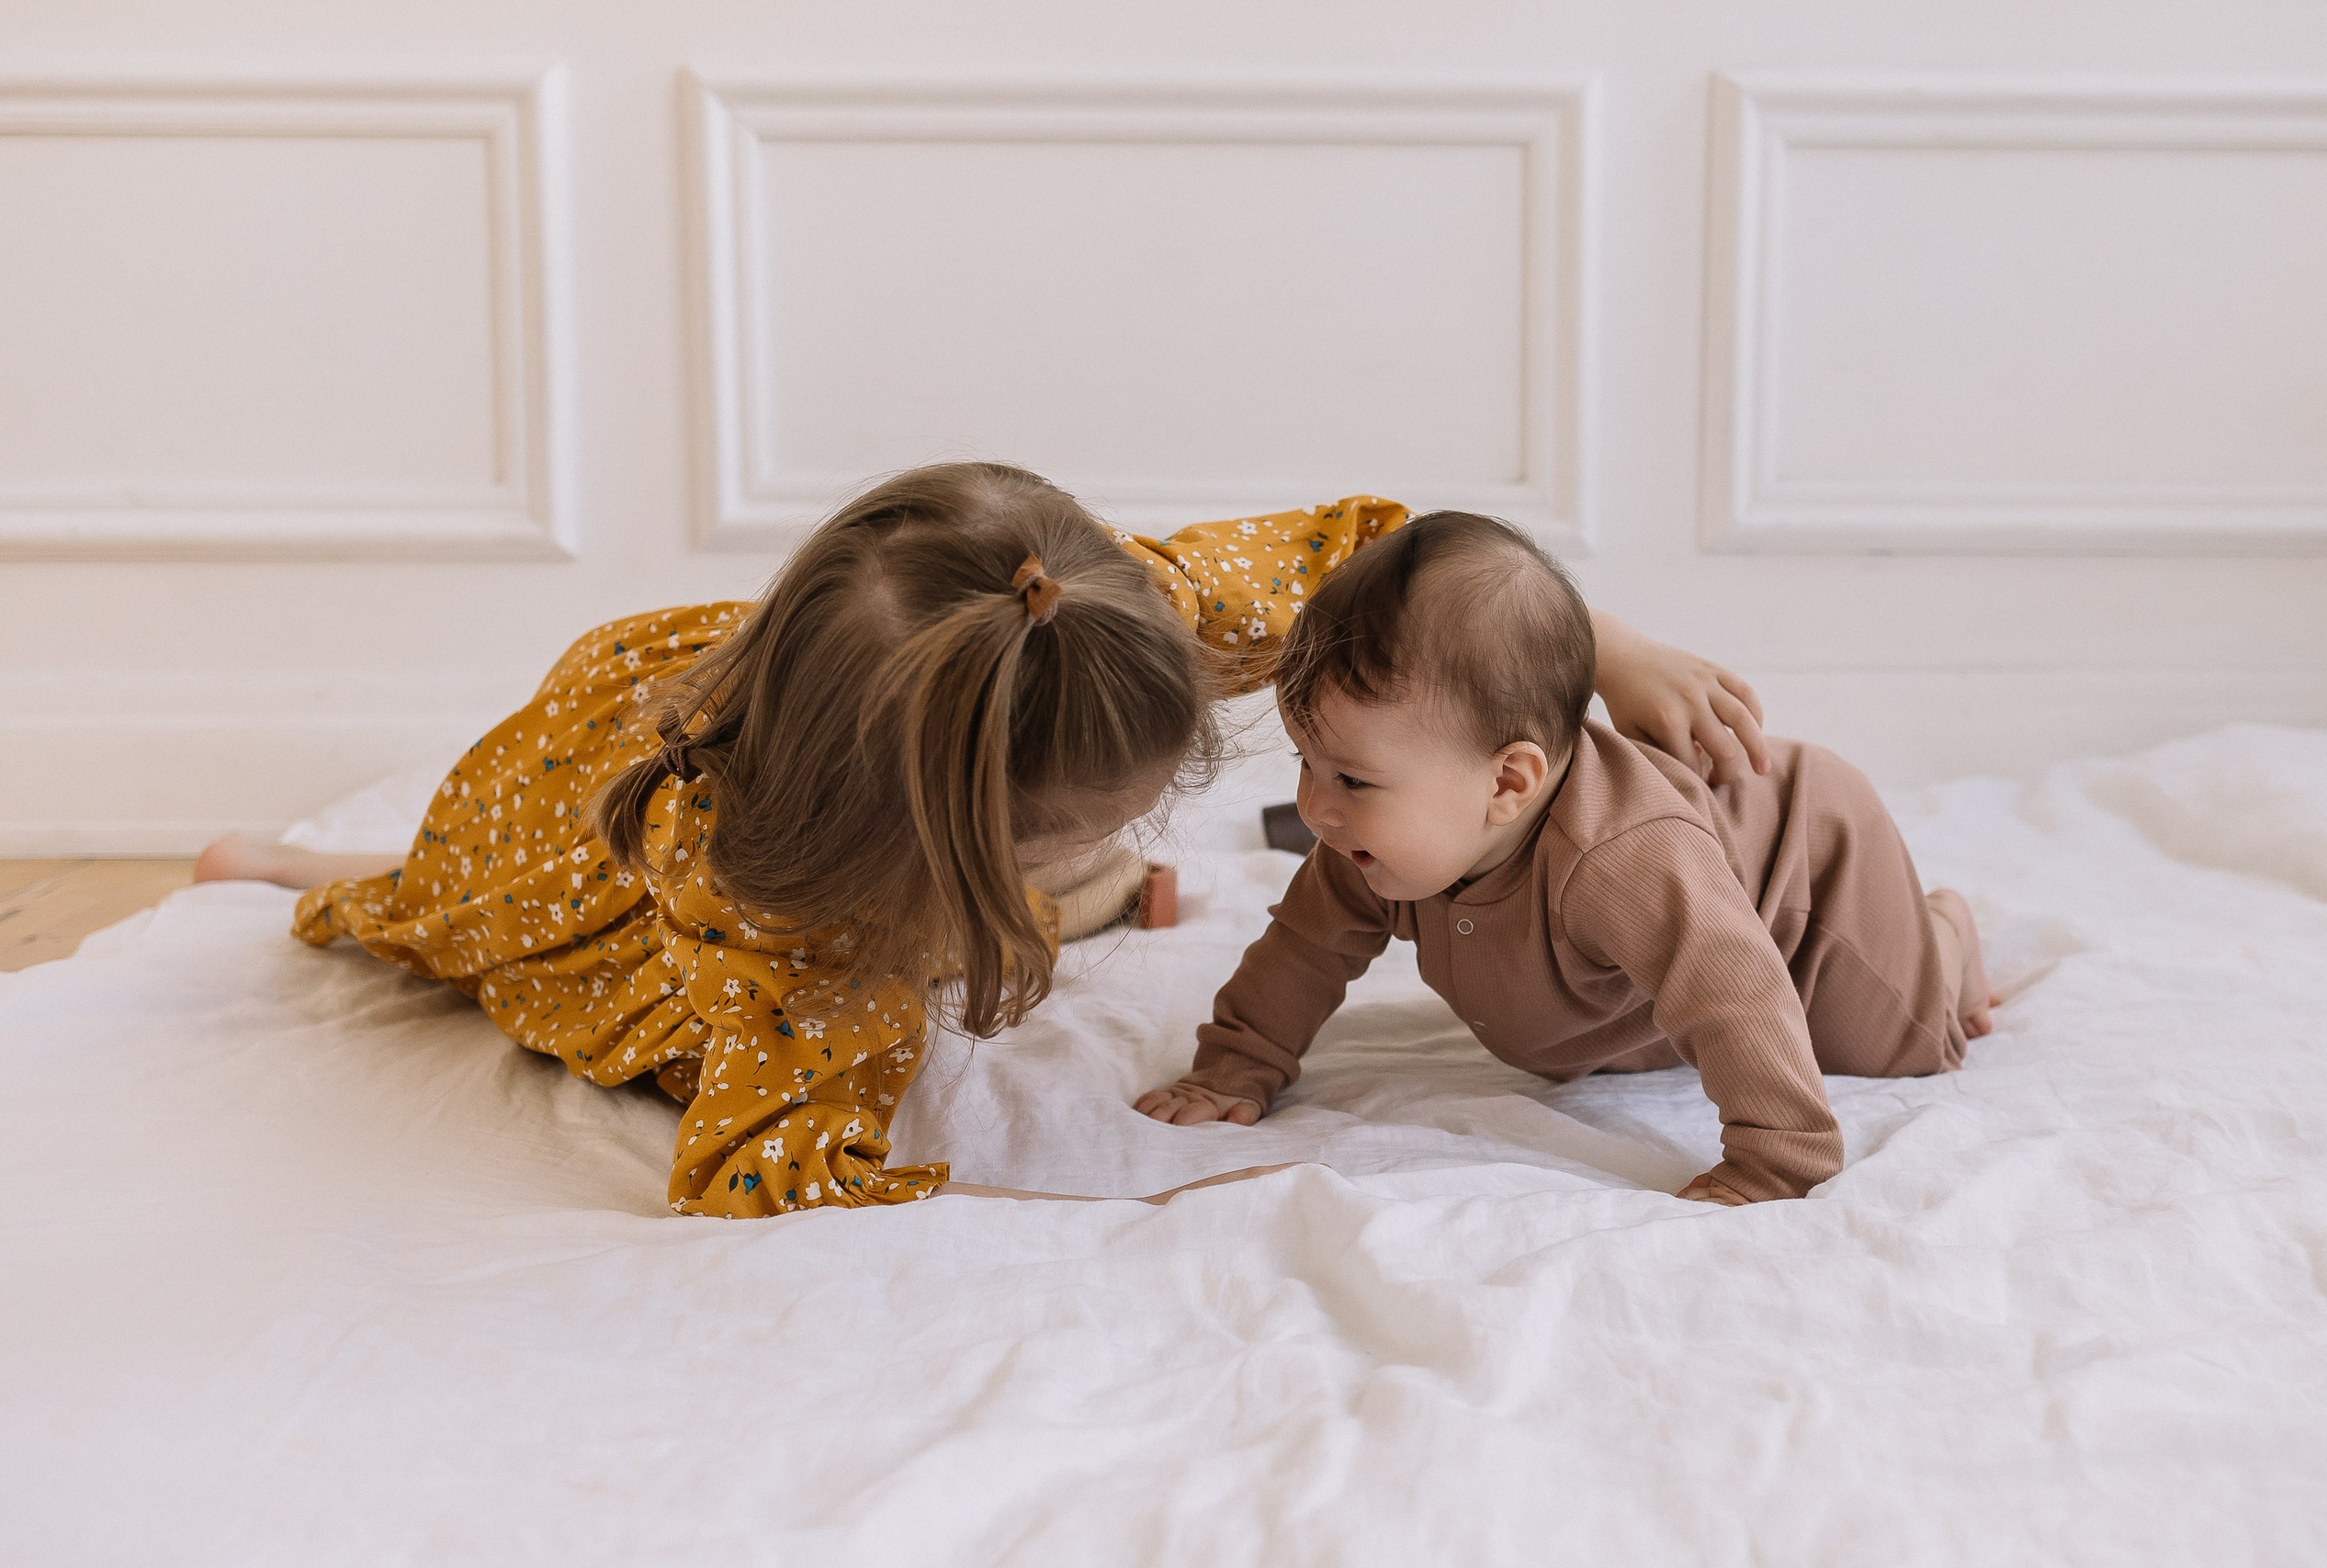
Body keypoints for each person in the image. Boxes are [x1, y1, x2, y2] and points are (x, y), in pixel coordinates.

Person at [197, 465, 1772, 1216]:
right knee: (432, 907)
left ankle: (1069, 891)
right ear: (933, 847)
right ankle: (307, 869)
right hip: (566, 847)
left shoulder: (1107, 618)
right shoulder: (772, 914)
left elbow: (1396, 569)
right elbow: (766, 1161)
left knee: (1035, 884)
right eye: (1083, 829)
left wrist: (1603, 656)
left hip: (882, 769)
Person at [1135, 510, 1996, 1205]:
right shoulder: (1374, 845)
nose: (1316, 807)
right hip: (1696, 913)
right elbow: (1304, 948)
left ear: (1508, 782)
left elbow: (1733, 992)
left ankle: (1945, 934)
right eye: (1305, 763)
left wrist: (1776, 1157)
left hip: (1811, 875)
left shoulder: (1620, 861)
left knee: (1903, 1043)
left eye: (1353, 777)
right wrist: (1237, 1062)